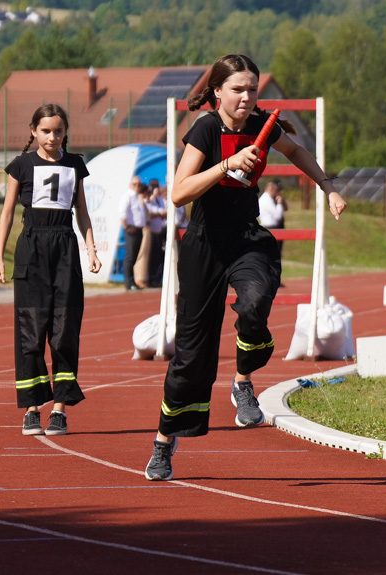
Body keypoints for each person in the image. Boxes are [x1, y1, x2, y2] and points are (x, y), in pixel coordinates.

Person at [144, 54, 347, 481]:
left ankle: (242, 382)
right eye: (237, 89)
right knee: (190, 357)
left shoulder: (261, 125)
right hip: (204, 245)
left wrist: (327, 187)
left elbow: (296, 150)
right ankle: (164, 441)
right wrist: (225, 165)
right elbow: (178, 194)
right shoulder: (204, 128)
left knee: (255, 301)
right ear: (217, 91)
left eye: (252, 89)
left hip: (246, 239)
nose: (246, 97)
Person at [0, 103, 102, 437]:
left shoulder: (75, 164)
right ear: (33, 131)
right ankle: (31, 408)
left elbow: (81, 211)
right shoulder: (21, 166)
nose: (53, 136)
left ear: (65, 131)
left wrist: (91, 248)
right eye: (46, 130)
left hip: (65, 247)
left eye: (58, 130)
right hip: (31, 249)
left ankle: (59, 409)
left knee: (64, 328)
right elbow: (7, 213)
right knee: (31, 329)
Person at [118, 176, 147, 290]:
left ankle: (132, 281)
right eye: (135, 184)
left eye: (139, 184)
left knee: (134, 256)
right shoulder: (127, 196)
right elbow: (122, 213)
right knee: (130, 256)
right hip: (132, 229)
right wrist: (127, 227)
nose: (137, 186)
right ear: (130, 184)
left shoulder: (136, 197)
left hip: (138, 229)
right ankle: (128, 282)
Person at [258, 179, 287, 255]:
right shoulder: (267, 200)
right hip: (271, 229)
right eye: (276, 191)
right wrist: (279, 204)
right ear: (272, 190)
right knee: (274, 254)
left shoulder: (264, 199)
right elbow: (277, 216)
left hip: (267, 228)